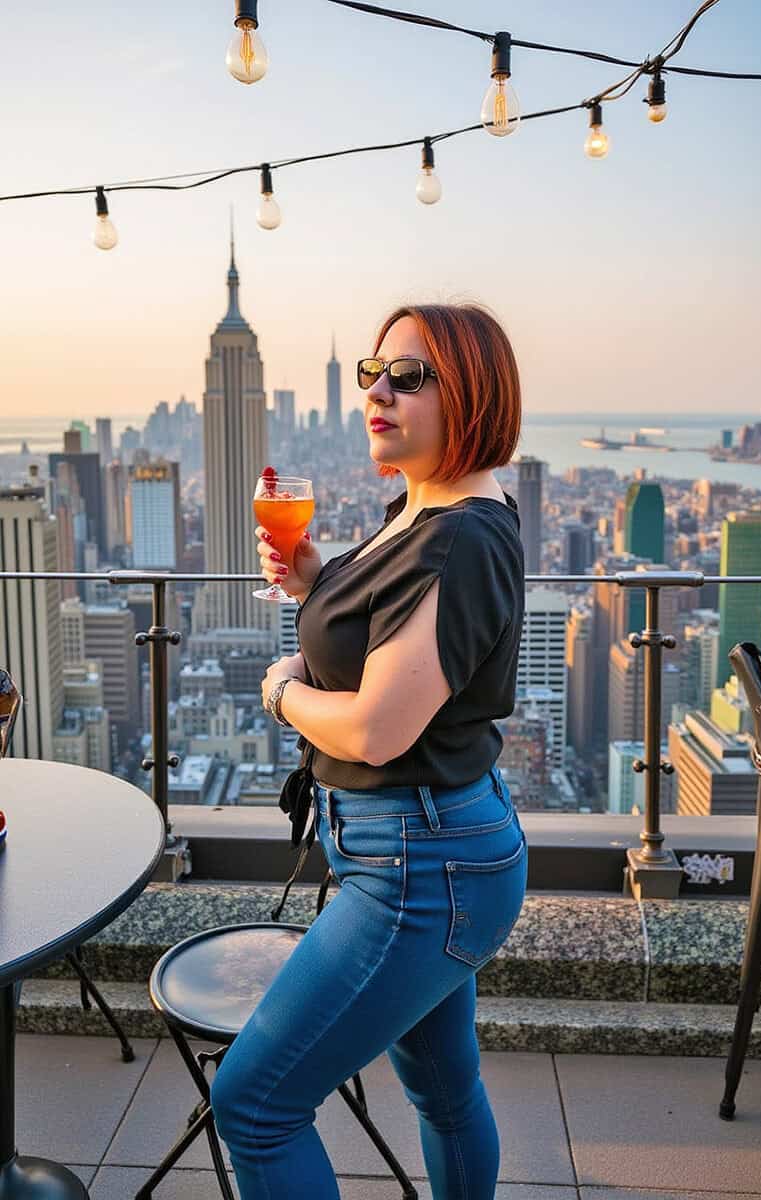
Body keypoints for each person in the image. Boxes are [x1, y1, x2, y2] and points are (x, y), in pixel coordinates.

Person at [210, 303, 528, 1199]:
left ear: (471, 396)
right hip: (426, 847)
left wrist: (280, 690)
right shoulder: (422, 506)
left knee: (257, 1104)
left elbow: (377, 730)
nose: (378, 392)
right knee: (442, 1087)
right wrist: (317, 580)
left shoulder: (457, 533)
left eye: (410, 376)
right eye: (371, 371)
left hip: (418, 867)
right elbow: (393, 620)